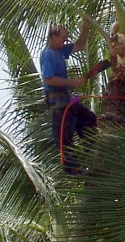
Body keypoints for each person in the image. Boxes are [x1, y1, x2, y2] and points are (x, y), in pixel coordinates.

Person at [40, 19, 97, 173]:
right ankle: (75, 171)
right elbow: (49, 78)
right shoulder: (49, 54)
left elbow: (79, 45)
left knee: (90, 121)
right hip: (58, 103)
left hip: (68, 102)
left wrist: (85, 28)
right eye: (63, 39)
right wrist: (71, 82)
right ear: (53, 36)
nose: (65, 42)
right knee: (64, 140)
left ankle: (94, 155)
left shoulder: (60, 50)